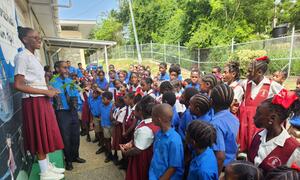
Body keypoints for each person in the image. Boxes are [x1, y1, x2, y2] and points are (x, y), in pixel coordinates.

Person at [14, 26, 65, 180]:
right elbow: (18, 84)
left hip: (41, 99)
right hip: (33, 102)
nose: (39, 40)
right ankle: (44, 172)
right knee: (39, 134)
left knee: (46, 133)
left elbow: (35, 81)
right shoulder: (22, 56)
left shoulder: (35, 57)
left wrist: (48, 87)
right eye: (35, 38)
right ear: (24, 40)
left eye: (39, 38)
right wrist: (45, 91)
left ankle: (47, 166)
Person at [238, 56, 283, 153]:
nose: (247, 74)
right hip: (246, 124)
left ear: (259, 72)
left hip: (261, 123)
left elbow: (284, 99)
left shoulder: (272, 85)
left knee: (258, 148)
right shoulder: (245, 84)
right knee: (245, 150)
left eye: (250, 71)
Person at [248, 90, 300, 173]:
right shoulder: (258, 136)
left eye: (258, 114)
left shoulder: (293, 150)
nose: (254, 117)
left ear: (272, 118)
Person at [51, 61, 86, 171]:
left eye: (68, 68)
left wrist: (77, 106)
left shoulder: (70, 81)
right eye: (64, 68)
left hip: (73, 111)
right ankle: (68, 160)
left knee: (75, 135)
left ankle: (75, 156)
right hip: (62, 113)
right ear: (57, 69)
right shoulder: (52, 83)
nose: (67, 70)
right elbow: (51, 100)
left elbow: (76, 95)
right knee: (65, 137)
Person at [121, 96, 159, 180]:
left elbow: (138, 149)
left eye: (135, 111)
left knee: (138, 175)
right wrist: (131, 142)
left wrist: (125, 153)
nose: (133, 112)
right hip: (147, 154)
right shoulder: (151, 123)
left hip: (141, 159)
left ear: (140, 112)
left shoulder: (145, 129)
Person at [210, 84, 239, 175]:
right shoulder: (234, 119)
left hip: (220, 168)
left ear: (211, 101)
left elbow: (220, 156)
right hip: (231, 166)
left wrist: (216, 176)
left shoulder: (215, 124)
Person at [149, 104, 184, 180]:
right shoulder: (159, 133)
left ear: (159, 119)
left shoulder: (174, 140)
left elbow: (173, 167)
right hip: (155, 174)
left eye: (152, 116)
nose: (151, 119)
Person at [98, 91, 114, 163]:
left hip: (112, 126)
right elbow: (100, 114)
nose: (102, 100)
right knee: (107, 140)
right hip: (104, 125)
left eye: (104, 99)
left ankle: (115, 154)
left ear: (109, 100)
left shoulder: (113, 106)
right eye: (102, 99)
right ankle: (109, 153)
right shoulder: (101, 105)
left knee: (114, 141)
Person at [111, 96, 128, 164]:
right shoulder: (117, 109)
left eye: (116, 101)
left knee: (119, 142)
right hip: (116, 129)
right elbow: (112, 119)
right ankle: (115, 156)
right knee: (114, 142)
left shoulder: (124, 111)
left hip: (120, 129)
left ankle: (122, 159)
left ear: (121, 103)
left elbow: (116, 122)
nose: (115, 103)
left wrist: (112, 113)